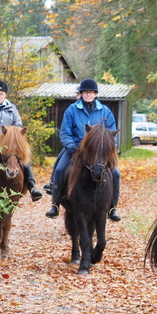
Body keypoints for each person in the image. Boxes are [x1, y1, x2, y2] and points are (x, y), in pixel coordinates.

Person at [45, 78, 121, 221]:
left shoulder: (105, 111)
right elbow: (65, 132)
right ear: (81, 94)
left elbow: (112, 134)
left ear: (96, 94)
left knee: (115, 173)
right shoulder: (72, 110)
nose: (88, 95)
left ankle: (112, 208)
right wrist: (72, 147)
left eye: (91, 93)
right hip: (75, 148)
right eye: (86, 92)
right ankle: (54, 205)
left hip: (98, 152)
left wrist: (107, 149)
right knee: (60, 169)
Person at [0, 79, 42, 201]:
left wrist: (12, 135)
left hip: (8, 147)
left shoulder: (12, 109)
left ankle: (32, 187)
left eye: (1, 93)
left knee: (25, 163)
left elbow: (18, 126)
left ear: (5, 95)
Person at [43, 85, 81, 195]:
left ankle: (112, 205)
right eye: (78, 95)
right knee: (59, 167)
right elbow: (65, 131)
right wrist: (70, 145)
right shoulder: (71, 110)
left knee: (113, 172)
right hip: (73, 146)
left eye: (80, 95)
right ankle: (53, 188)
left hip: (92, 148)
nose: (79, 97)